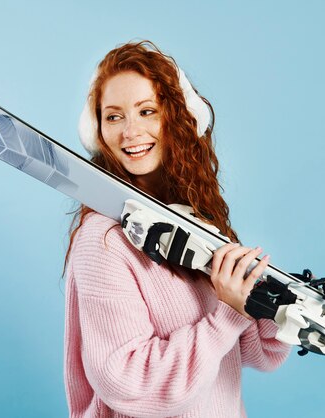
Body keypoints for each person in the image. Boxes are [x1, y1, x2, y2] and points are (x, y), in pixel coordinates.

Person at [63, 40, 290, 417]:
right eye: (114, 116)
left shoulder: (195, 223)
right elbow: (127, 381)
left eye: (147, 111)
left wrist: (267, 305)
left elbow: (254, 353)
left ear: (176, 118)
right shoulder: (103, 241)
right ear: (99, 130)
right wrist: (227, 314)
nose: (130, 131)